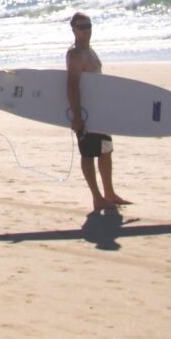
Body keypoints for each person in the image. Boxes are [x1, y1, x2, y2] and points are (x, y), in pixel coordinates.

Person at [65, 12, 128, 215]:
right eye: (81, 27)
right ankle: (97, 198)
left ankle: (109, 193)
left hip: (100, 112)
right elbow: (72, 85)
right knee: (89, 154)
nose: (86, 30)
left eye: (88, 26)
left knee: (106, 151)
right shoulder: (75, 54)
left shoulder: (90, 51)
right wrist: (76, 115)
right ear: (73, 30)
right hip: (86, 113)